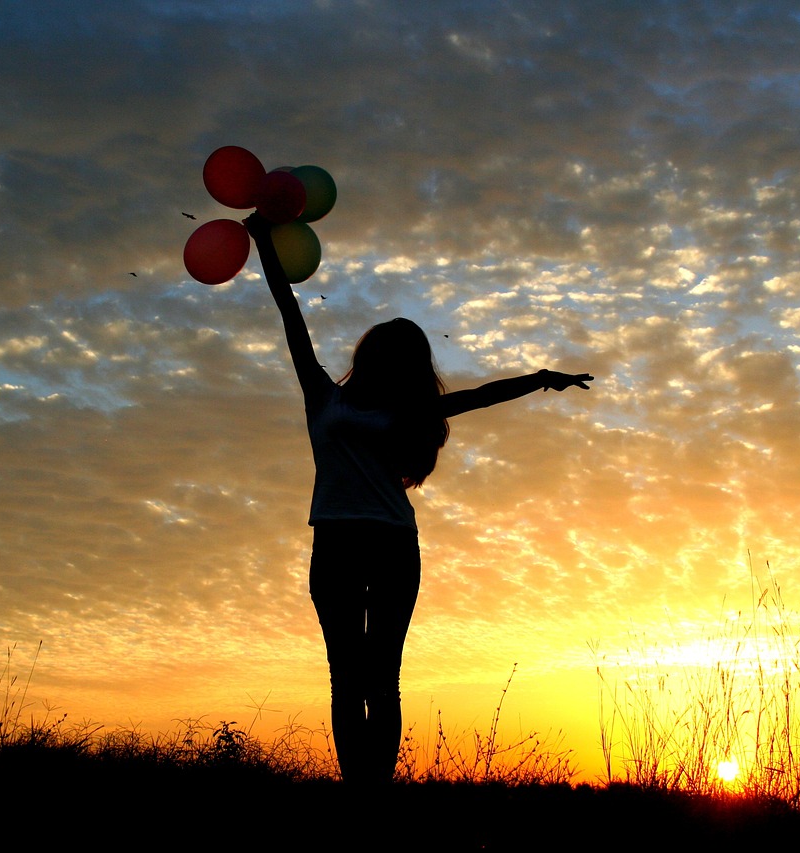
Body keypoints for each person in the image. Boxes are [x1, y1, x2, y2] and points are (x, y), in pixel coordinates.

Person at [245, 214, 594, 784]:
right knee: (345, 675)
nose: (391, 363)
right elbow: (291, 318)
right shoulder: (322, 397)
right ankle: (357, 786)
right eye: (386, 352)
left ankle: (375, 790)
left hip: (390, 545)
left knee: (381, 676)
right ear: (370, 352)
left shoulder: (407, 412)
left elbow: (481, 396)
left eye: (403, 359)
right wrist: (263, 243)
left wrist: (543, 378)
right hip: (333, 543)